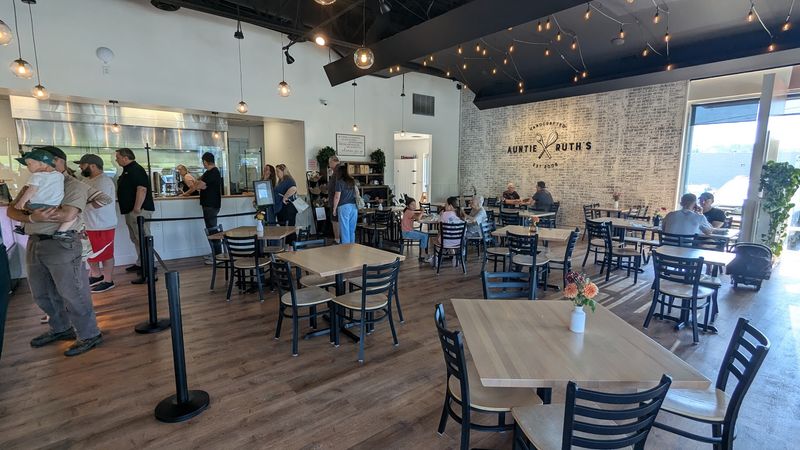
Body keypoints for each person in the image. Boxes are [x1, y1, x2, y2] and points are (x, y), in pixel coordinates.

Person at [6, 146, 103, 356]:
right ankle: (61, 328)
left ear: (58, 161)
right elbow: (12, 210)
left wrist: (33, 213)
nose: (34, 167)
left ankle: (89, 334)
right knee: (42, 292)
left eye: (35, 162)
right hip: (35, 240)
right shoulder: (35, 181)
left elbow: (68, 215)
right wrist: (32, 217)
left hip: (62, 244)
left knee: (73, 292)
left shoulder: (74, 185)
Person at [75, 154, 117, 293]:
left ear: (92, 165)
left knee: (105, 253)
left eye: (82, 165)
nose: (80, 167)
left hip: (103, 224)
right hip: (88, 224)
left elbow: (101, 202)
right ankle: (96, 275)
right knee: (88, 252)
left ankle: (108, 280)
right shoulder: (87, 180)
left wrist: (79, 208)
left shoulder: (103, 181)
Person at [13, 149, 75, 239]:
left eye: (29, 164)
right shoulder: (59, 176)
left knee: (25, 210)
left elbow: (31, 190)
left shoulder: (36, 176)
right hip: (53, 206)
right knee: (72, 217)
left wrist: (21, 202)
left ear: (42, 164)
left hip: (36, 205)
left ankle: (22, 227)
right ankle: (61, 232)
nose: (27, 167)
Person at [115, 148, 155, 280]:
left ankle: (148, 266)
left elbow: (141, 189)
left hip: (138, 211)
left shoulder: (136, 169)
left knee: (143, 238)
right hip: (131, 210)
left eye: (118, 157)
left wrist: (137, 208)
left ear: (125, 158)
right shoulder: (128, 170)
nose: (116, 160)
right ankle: (141, 263)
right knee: (136, 238)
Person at [183, 152, 223, 255]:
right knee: (211, 230)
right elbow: (197, 183)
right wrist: (199, 184)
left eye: (203, 162)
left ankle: (217, 255)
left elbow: (197, 185)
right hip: (210, 205)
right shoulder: (209, 172)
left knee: (213, 230)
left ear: (205, 161)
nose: (203, 164)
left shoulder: (212, 172)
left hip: (211, 205)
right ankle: (215, 253)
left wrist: (198, 185)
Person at [332, 164, 358, 244]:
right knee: (351, 229)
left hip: (344, 207)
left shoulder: (339, 182)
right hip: (354, 206)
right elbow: (357, 192)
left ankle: (346, 250)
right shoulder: (352, 181)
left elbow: (337, 197)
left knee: (344, 229)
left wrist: (334, 208)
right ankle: (352, 247)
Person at [328, 155, 342, 243]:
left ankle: (337, 239)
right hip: (340, 201)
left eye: (329, 163)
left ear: (333, 161)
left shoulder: (337, 172)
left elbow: (337, 190)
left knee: (335, 220)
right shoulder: (338, 171)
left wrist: (334, 207)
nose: (329, 165)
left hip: (337, 202)